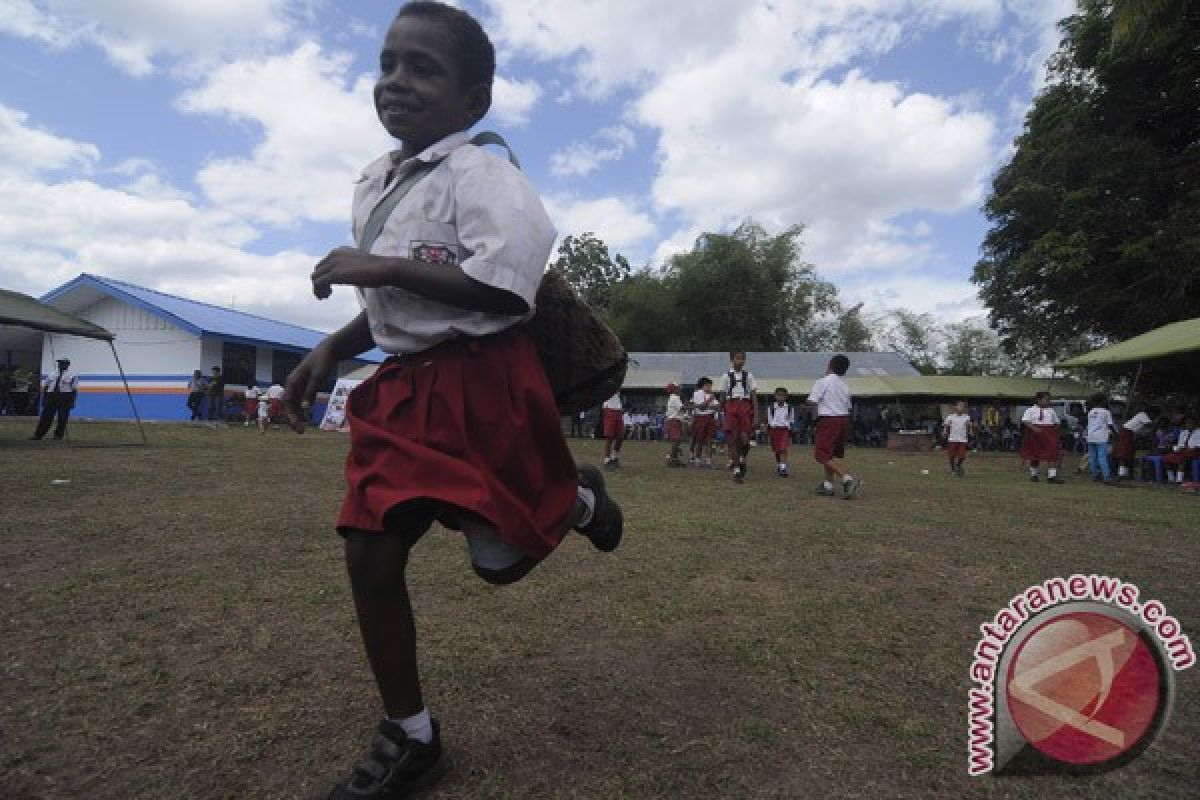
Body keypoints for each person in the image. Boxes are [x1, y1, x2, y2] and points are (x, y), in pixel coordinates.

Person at [280, 6, 625, 796]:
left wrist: (384, 270)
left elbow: (504, 294)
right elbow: (398, 311)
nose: (397, 81)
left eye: (423, 68)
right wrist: (333, 348)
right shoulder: (376, 183)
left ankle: (571, 499)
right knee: (369, 548)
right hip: (402, 392)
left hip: (483, 386)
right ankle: (412, 734)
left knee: (500, 563)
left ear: (474, 101)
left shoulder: (488, 178)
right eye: (388, 63)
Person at [808, 354, 860, 498]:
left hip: (828, 419)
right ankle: (828, 485)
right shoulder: (845, 386)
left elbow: (813, 402)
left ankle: (847, 478)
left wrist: (814, 420)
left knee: (821, 455)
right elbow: (848, 407)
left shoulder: (822, 382)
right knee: (829, 454)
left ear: (829, 365)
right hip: (843, 419)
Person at [720, 350, 757, 484]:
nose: (740, 361)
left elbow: (753, 394)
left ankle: (742, 458)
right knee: (733, 439)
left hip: (745, 406)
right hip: (731, 405)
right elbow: (723, 395)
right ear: (732, 360)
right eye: (737, 358)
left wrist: (756, 414)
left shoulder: (749, 376)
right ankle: (736, 469)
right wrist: (720, 411)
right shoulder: (726, 376)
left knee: (745, 439)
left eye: (742, 359)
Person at [1021, 391, 1064, 484]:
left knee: (1052, 454)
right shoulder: (1030, 410)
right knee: (1034, 455)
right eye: (1046, 399)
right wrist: (1034, 428)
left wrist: (1053, 432)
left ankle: (1051, 477)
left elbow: (1057, 423)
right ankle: (1034, 475)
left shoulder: (1051, 411)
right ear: (1038, 400)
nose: (1048, 401)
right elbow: (1025, 421)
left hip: (1049, 433)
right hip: (1034, 434)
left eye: (1049, 400)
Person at [30, 357, 78, 440]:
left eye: (63, 363)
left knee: (62, 418)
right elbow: (46, 386)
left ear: (67, 365)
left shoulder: (72, 376)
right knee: (46, 416)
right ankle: (38, 435)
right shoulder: (52, 374)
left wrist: (72, 402)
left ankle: (58, 436)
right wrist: (44, 399)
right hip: (51, 396)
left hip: (64, 396)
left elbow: (74, 390)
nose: (60, 365)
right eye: (59, 363)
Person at [1114, 405, 1158, 479]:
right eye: (1154, 415)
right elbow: (1150, 426)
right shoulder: (1143, 415)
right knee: (1123, 454)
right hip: (1126, 432)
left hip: (1130, 433)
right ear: (1151, 412)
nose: (1154, 417)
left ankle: (1126, 474)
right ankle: (1121, 474)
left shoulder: (1143, 416)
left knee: (1129, 454)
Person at [1085, 394, 1117, 483]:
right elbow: (1110, 425)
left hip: (1091, 437)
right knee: (1102, 457)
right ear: (1103, 401)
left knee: (1093, 457)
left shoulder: (1091, 411)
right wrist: (1115, 434)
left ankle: (1094, 475)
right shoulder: (1106, 412)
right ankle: (1106, 476)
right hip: (1101, 437)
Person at [690, 376, 716, 468]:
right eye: (708, 385)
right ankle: (697, 458)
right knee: (699, 439)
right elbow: (701, 407)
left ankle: (708, 461)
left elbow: (716, 407)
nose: (709, 388)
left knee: (710, 440)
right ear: (703, 385)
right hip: (700, 417)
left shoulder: (711, 395)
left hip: (710, 417)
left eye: (710, 386)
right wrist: (709, 400)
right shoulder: (697, 393)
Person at [1162, 415, 1198, 484]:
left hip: (1194, 451)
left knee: (1182, 459)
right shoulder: (1183, 433)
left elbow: (1197, 446)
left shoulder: (1199, 432)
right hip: (1182, 451)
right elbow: (1180, 444)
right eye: (1187, 423)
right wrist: (1176, 448)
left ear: (1195, 423)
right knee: (1166, 458)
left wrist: (1187, 449)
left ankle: (1179, 480)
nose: (1189, 425)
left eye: (1191, 423)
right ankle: (1171, 479)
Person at [767, 387, 794, 477]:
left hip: (785, 430)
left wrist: (790, 429)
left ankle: (783, 466)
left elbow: (791, 419)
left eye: (783, 395)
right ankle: (779, 464)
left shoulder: (789, 407)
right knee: (777, 450)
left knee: (783, 448)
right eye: (779, 395)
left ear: (786, 397)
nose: (781, 397)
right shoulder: (771, 407)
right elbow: (770, 420)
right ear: (775, 396)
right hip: (774, 430)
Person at [942, 400, 973, 477]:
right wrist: (945, 431)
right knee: (951, 456)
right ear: (955, 407)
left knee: (962, 456)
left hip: (962, 439)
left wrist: (970, 430)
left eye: (963, 406)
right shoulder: (951, 416)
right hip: (953, 439)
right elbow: (946, 425)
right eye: (960, 406)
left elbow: (969, 425)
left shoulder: (966, 417)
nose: (961, 407)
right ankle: (953, 469)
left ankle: (958, 465)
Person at [664, 383, 686, 467]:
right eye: (677, 388)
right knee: (676, 440)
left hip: (675, 420)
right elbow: (682, 408)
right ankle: (672, 459)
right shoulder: (675, 397)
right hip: (674, 420)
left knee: (677, 440)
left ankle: (675, 459)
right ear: (674, 390)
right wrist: (696, 406)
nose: (679, 390)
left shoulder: (674, 397)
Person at [601, 392, 624, 469]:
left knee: (621, 436)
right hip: (609, 408)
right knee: (609, 436)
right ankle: (607, 460)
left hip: (618, 409)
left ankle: (614, 457)